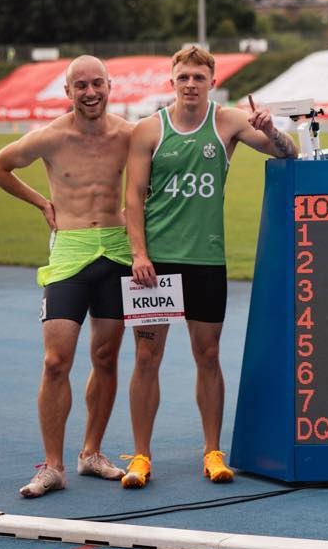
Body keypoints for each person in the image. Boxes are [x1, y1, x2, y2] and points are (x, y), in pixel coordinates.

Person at [122, 46, 297, 489]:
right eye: (183, 77)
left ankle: (212, 452)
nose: (191, 84)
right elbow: (132, 198)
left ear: (212, 82)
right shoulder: (148, 130)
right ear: (172, 81)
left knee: (209, 356)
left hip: (205, 259)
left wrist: (272, 130)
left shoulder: (229, 122)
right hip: (156, 265)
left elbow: (288, 154)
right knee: (146, 357)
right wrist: (139, 255)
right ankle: (141, 456)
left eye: (199, 77)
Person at [0, 55, 133, 497]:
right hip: (69, 251)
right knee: (55, 361)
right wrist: (40, 203)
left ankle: (92, 454)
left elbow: (158, 174)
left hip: (117, 250)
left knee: (106, 357)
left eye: (97, 84)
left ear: (110, 85)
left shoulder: (128, 134)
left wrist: (134, 216)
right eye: (80, 86)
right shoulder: (50, 137)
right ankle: (52, 465)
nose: (90, 93)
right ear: (67, 92)